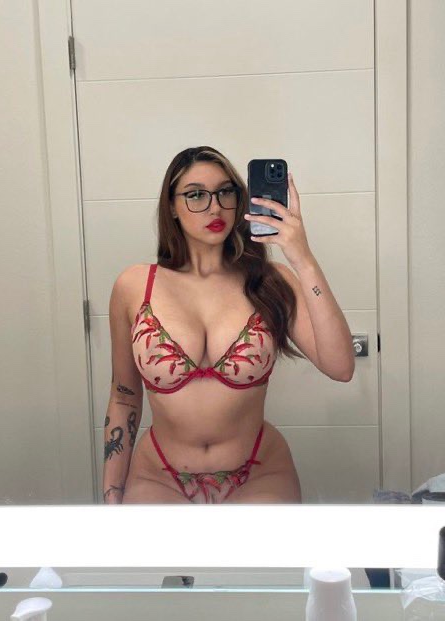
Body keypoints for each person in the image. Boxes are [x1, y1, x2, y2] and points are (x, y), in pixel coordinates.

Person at [102, 146, 355, 504]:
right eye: (196, 195)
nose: (215, 207)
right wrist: (111, 490)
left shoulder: (271, 281)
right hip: (158, 476)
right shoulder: (134, 286)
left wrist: (303, 258)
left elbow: (341, 366)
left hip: (259, 474)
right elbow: (124, 398)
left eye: (225, 192)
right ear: (171, 206)